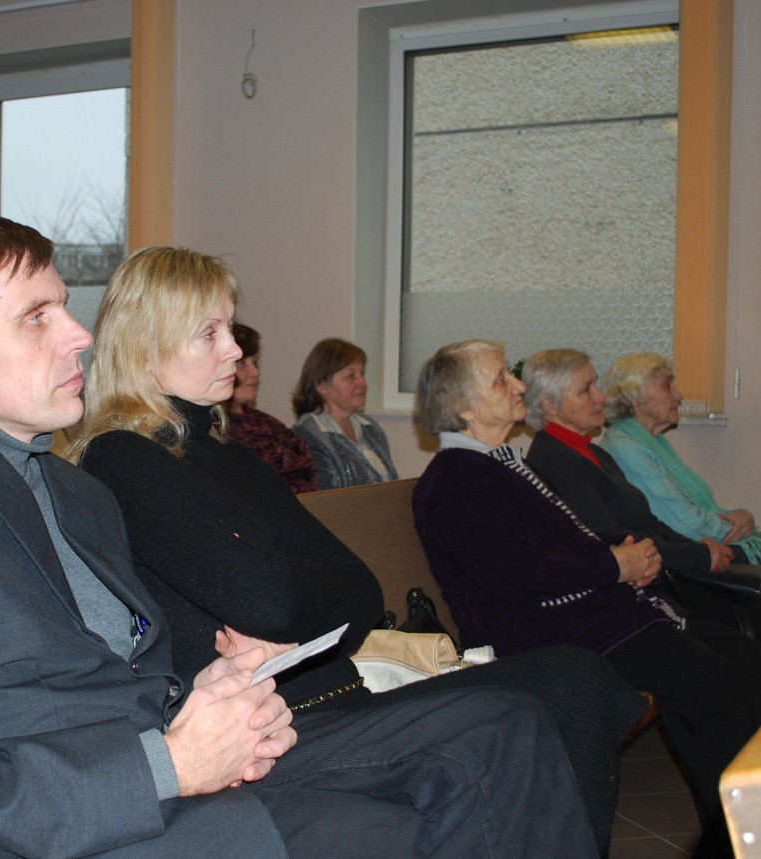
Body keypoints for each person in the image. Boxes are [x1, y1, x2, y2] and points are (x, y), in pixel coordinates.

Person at [0, 217, 598, 859]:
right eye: (38, 316)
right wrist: (171, 761)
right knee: (419, 823)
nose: (79, 335)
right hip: (92, 822)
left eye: (66, 308)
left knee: (500, 733)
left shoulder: (73, 491)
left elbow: (120, 674)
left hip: (173, 780)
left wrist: (215, 687)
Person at [69, 246, 645, 854]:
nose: (235, 350)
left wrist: (291, 604)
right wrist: (296, 601)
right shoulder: (125, 458)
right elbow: (270, 599)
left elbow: (362, 591)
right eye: (209, 333)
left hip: (340, 692)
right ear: (146, 347)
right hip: (277, 725)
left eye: (231, 329)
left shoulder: (232, 456)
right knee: (508, 723)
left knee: (574, 680)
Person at [411, 339, 761, 859]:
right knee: (718, 684)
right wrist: (616, 565)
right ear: (464, 407)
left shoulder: (495, 465)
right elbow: (518, 573)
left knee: (746, 660)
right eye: (502, 378)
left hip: (583, 612)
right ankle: (750, 842)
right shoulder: (458, 479)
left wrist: (625, 555)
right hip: (544, 633)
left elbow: (559, 544)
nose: (518, 385)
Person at [522, 348, 761, 684]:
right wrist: (699, 555)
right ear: (549, 405)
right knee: (754, 651)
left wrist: (701, 548)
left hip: (665, 571)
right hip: (642, 591)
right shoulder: (555, 461)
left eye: (596, 385)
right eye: (586, 390)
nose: (601, 397)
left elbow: (648, 522)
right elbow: (614, 539)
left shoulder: (591, 452)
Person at [600, 352, 761, 655]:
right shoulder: (625, 447)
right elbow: (685, 524)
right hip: (699, 555)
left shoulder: (649, 442)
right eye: (668, 385)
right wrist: (741, 530)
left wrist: (742, 517)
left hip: (710, 543)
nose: (679, 395)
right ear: (634, 396)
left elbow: (699, 509)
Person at [222, 323, 317, 493]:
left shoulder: (265, 422)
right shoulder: (215, 429)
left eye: (255, 362)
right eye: (242, 363)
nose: (255, 372)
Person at [291, 338, 398, 489]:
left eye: (362, 373)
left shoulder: (370, 427)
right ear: (322, 386)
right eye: (351, 376)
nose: (363, 383)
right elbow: (324, 497)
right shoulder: (306, 436)